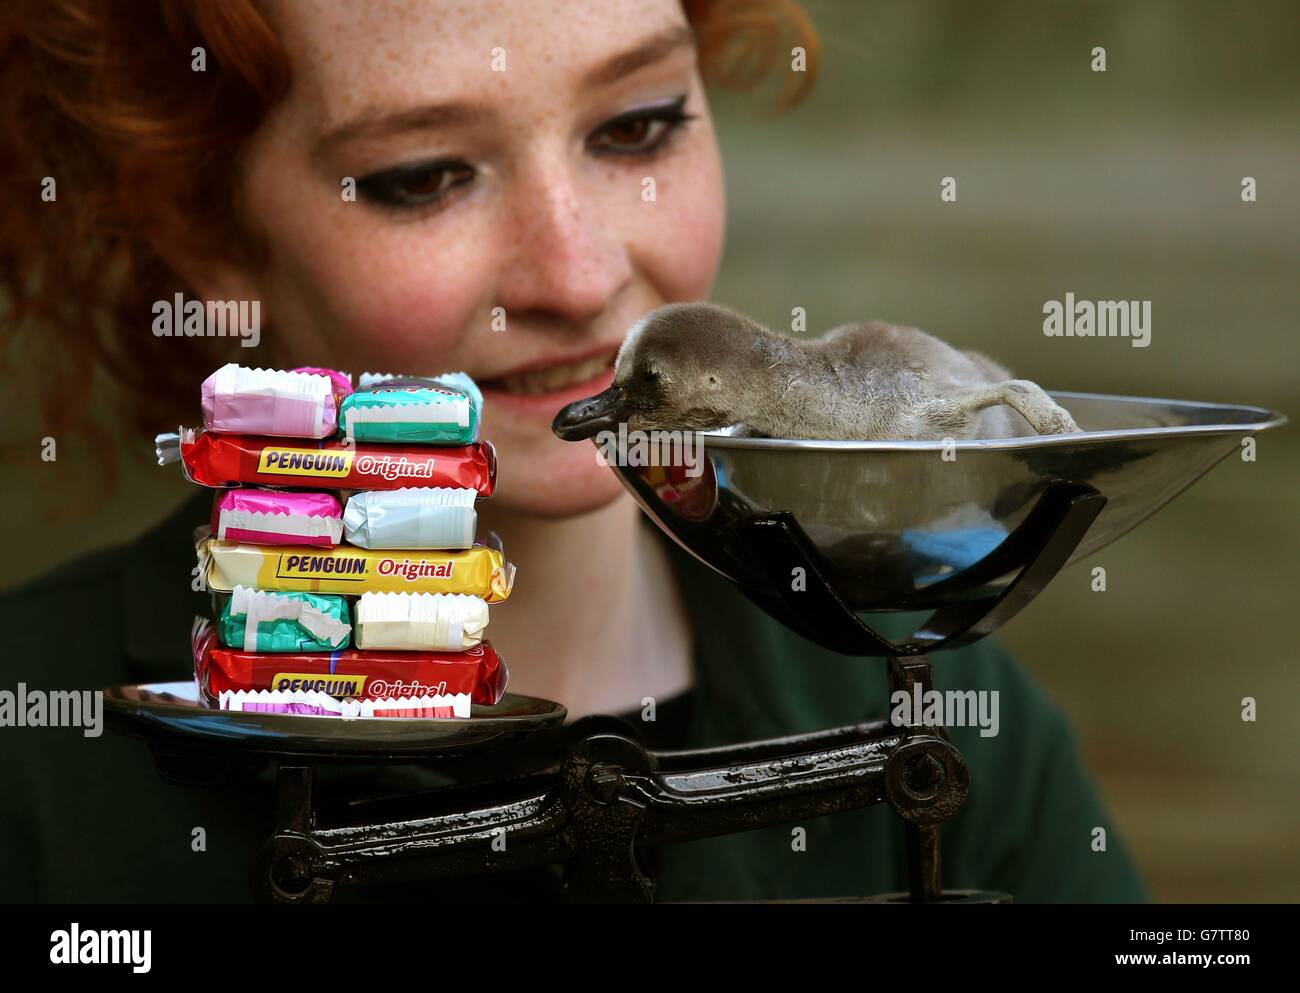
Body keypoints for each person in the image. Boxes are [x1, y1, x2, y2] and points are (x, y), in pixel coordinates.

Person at [0, 0, 1144, 903]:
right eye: (423, 177)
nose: (580, 274)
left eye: (637, 123)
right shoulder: (36, 769)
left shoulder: (939, 691)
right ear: (207, 231)